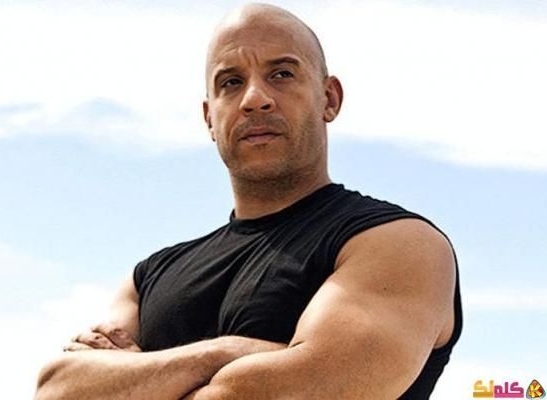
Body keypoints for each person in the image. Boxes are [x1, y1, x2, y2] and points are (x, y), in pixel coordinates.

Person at [34, 3, 463, 399]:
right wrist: (225, 352)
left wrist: (139, 378)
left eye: (282, 74)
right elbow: (56, 389)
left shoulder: (397, 244)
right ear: (210, 118)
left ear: (329, 99)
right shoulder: (147, 278)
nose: (255, 99)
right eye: (231, 82)